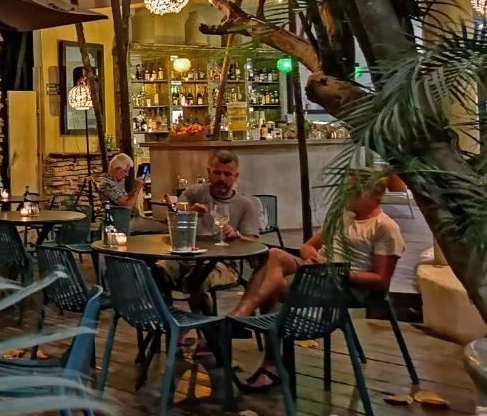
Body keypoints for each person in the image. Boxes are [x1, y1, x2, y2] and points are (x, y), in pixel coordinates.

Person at [230, 175, 404, 390]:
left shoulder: (385, 227)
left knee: (273, 285)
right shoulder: (342, 215)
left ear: (374, 196)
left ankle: (264, 355)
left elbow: (381, 281)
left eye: (353, 190)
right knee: (274, 256)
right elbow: (308, 247)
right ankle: (246, 327)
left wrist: (335, 270)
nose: (345, 194)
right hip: (317, 272)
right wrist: (311, 256)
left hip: (346, 285)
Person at [155, 149, 261, 318]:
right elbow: (174, 219)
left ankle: (207, 328)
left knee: (198, 279)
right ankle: (171, 321)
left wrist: (236, 236)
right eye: (217, 173)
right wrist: (190, 211)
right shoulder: (194, 193)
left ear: (236, 176)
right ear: (209, 172)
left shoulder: (246, 205)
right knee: (156, 273)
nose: (222, 178)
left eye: (227, 174)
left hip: (223, 264)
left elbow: (252, 243)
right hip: (185, 257)